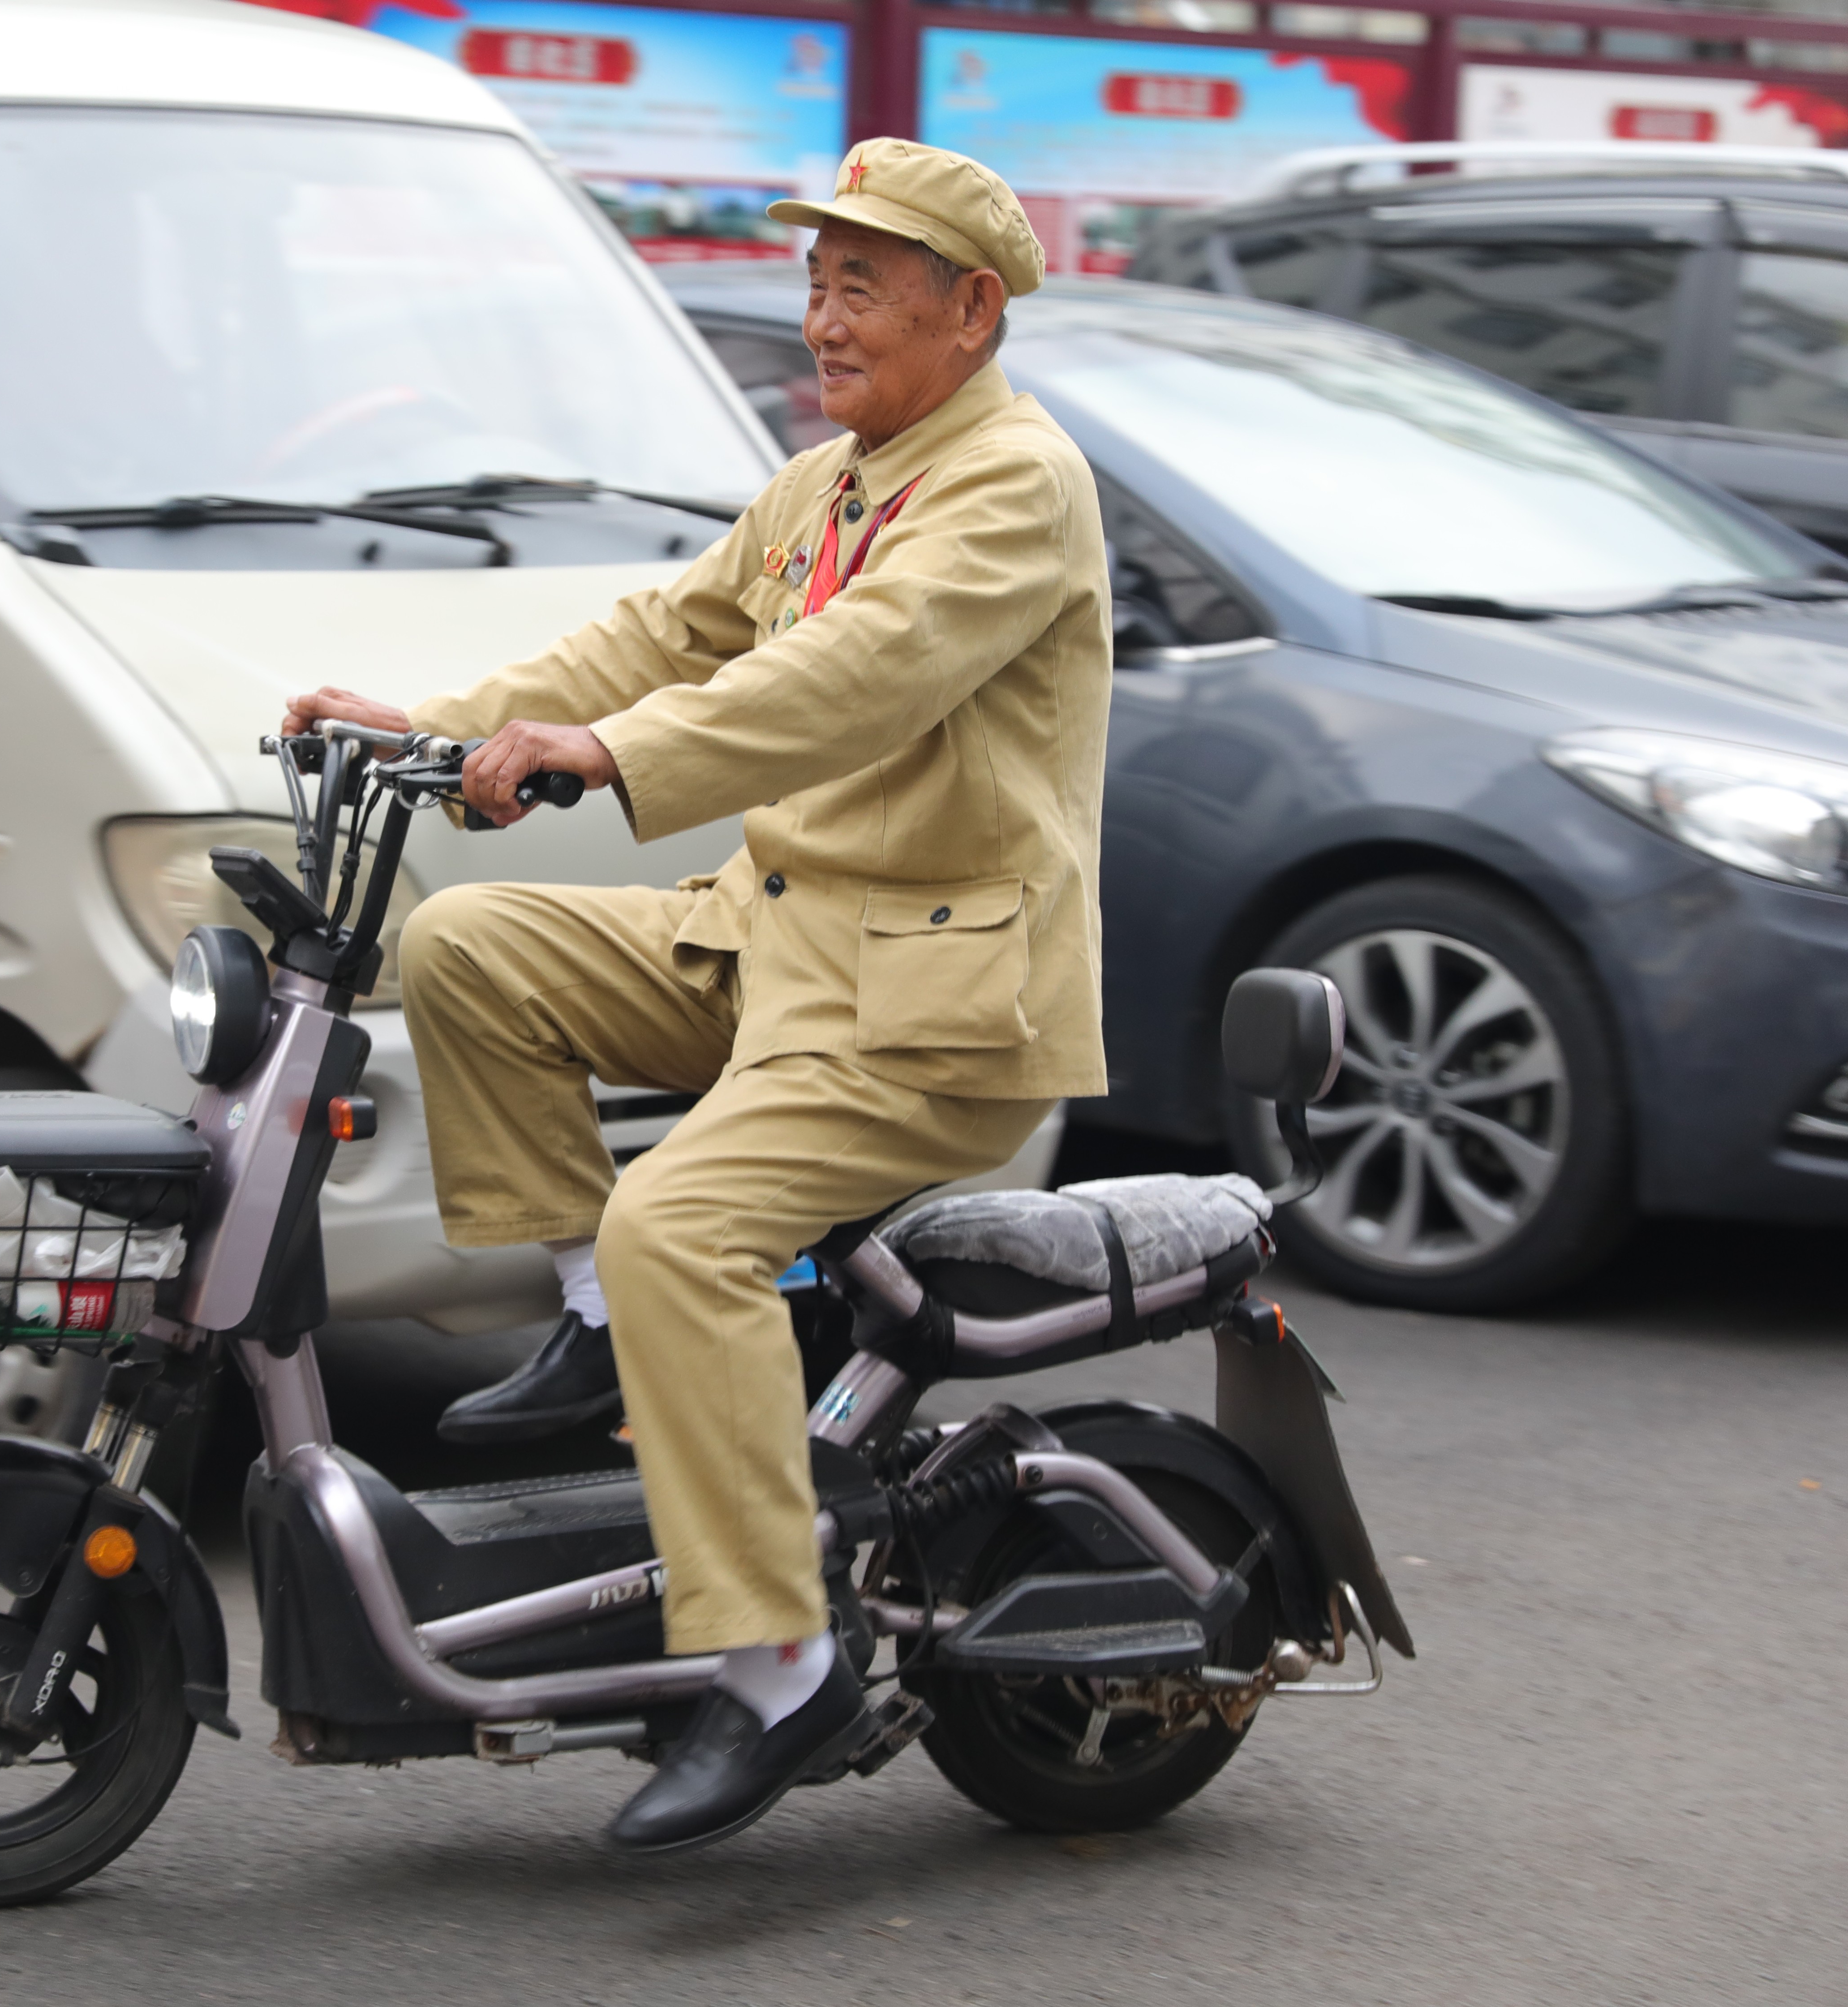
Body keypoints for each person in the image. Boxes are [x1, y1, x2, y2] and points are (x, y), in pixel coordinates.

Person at [279, 138, 1112, 1854]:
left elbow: (853, 680)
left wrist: (610, 757)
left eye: (860, 287)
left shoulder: (1014, 484)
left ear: (973, 311)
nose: (822, 317)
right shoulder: (832, 484)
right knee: (472, 948)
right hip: (779, 945)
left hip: (932, 1004)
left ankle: (781, 1655)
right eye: (815, 282)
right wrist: (438, 727)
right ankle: (597, 1323)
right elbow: (664, 633)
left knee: (690, 1228)